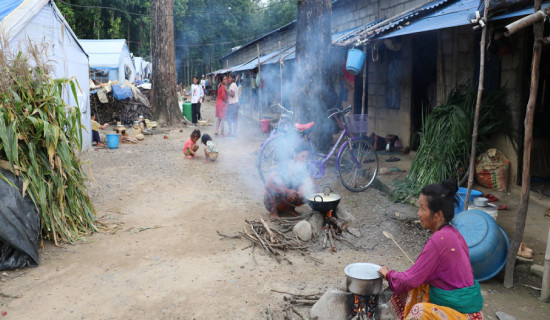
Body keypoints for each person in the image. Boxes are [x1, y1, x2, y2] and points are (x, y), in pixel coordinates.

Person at [378, 180, 484, 320]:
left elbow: (409, 280)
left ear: (438, 215)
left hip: (462, 313)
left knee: (418, 310)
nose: (419, 214)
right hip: (467, 307)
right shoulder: (453, 234)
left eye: (423, 209)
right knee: (418, 286)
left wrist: (388, 275)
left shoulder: (439, 241)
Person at [264, 143, 316, 220]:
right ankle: (273, 212)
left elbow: (312, 181)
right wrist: (286, 191)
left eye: (306, 158)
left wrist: (304, 188)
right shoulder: (284, 166)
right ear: (295, 155)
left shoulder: (302, 168)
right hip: (272, 202)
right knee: (278, 182)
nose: (305, 160)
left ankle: (290, 209)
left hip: (286, 201)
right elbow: (268, 185)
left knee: (306, 187)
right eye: (302, 156)